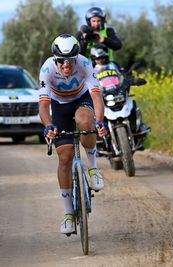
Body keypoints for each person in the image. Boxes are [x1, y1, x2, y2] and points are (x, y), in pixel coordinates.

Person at [38, 34, 108, 234]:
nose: (66, 65)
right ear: (55, 59)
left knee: (86, 121)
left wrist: (100, 121)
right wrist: (48, 125)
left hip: (81, 100)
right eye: (61, 60)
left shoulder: (85, 64)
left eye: (70, 60)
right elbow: (43, 105)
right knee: (65, 158)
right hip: (58, 106)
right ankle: (68, 213)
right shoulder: (47, 69)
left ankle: (93, 169)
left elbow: (96, 95)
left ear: (76, 58)